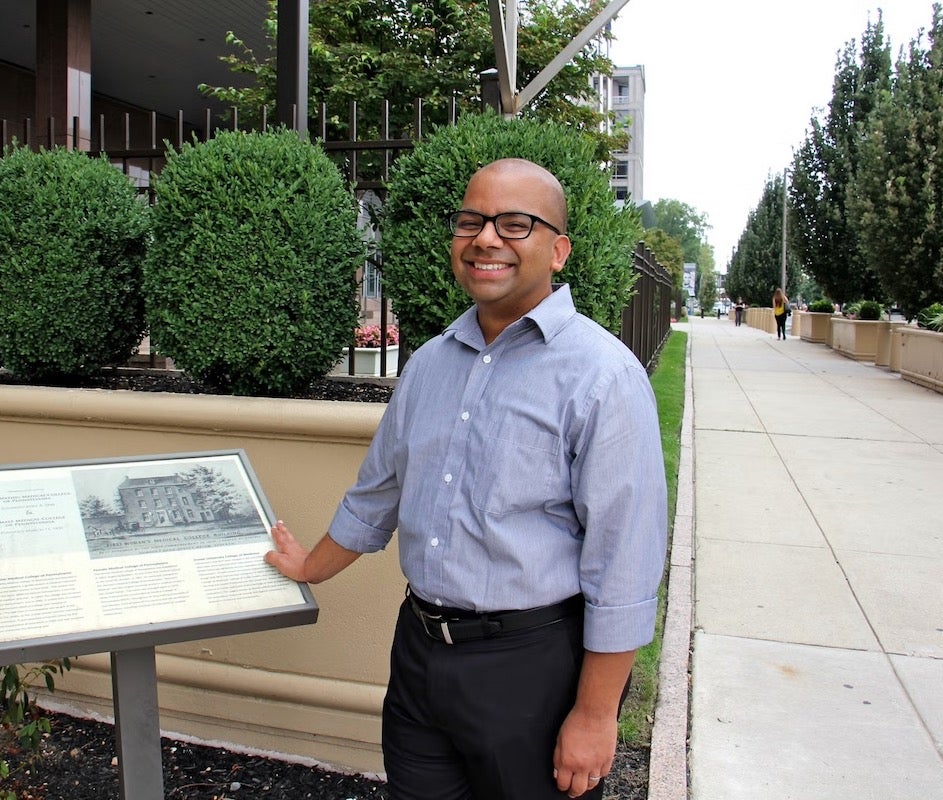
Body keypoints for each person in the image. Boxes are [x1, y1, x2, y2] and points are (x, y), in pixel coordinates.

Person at [265, 158, 668, 800]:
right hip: (420, 656)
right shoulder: (430, 363)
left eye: (515, 224)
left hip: (532, 668)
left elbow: (624, 565)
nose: (486, 239)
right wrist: (310, 567)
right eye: (471, 221)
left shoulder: (604, 378)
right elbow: (378, 496)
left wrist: (594, 715)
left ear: (558, 250)